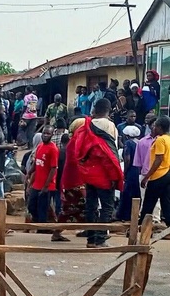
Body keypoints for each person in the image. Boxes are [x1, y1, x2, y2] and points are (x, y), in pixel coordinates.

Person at [68, 98, 124, 247]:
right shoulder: (110, 126)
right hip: (105, 174)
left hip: (88, 173)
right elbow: (109, 154)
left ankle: (91, 239)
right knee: (107, 206)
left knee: (91, 206)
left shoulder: (86, 125)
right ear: (109, 109)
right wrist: (114, 176)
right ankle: (100, 239)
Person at [140, 116, 170, 227]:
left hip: (158, 175)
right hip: (167, 173)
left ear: (160, 127)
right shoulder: (168, 139)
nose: (153, 128)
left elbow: (158, 159)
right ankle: (169, 224)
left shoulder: (160, 140)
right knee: (166, 201)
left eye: (155, 126)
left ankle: (142, 224)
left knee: (149, 201)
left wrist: (147, 176)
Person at [27, 127, 59, 225]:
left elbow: (53, 168)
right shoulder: (40, 146)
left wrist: (46, 186)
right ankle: (37, 223)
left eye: (48, 133)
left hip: (47, 186)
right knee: (31, 206)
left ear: (52, 135)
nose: (45, 135)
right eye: (44, 133)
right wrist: (30, 172)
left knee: (42, 209)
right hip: (37, 184)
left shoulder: (53, 149)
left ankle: (43, 229)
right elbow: (36, 162)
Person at [116, 124, 142, 222]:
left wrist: (125, 172)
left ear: (126, 135)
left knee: (127, 193)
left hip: (131, 170)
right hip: (138, 170)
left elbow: (127, 159)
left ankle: (124, 215)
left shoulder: (128, 143)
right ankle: (134, 214)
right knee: (136, 193)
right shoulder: (138, 142)